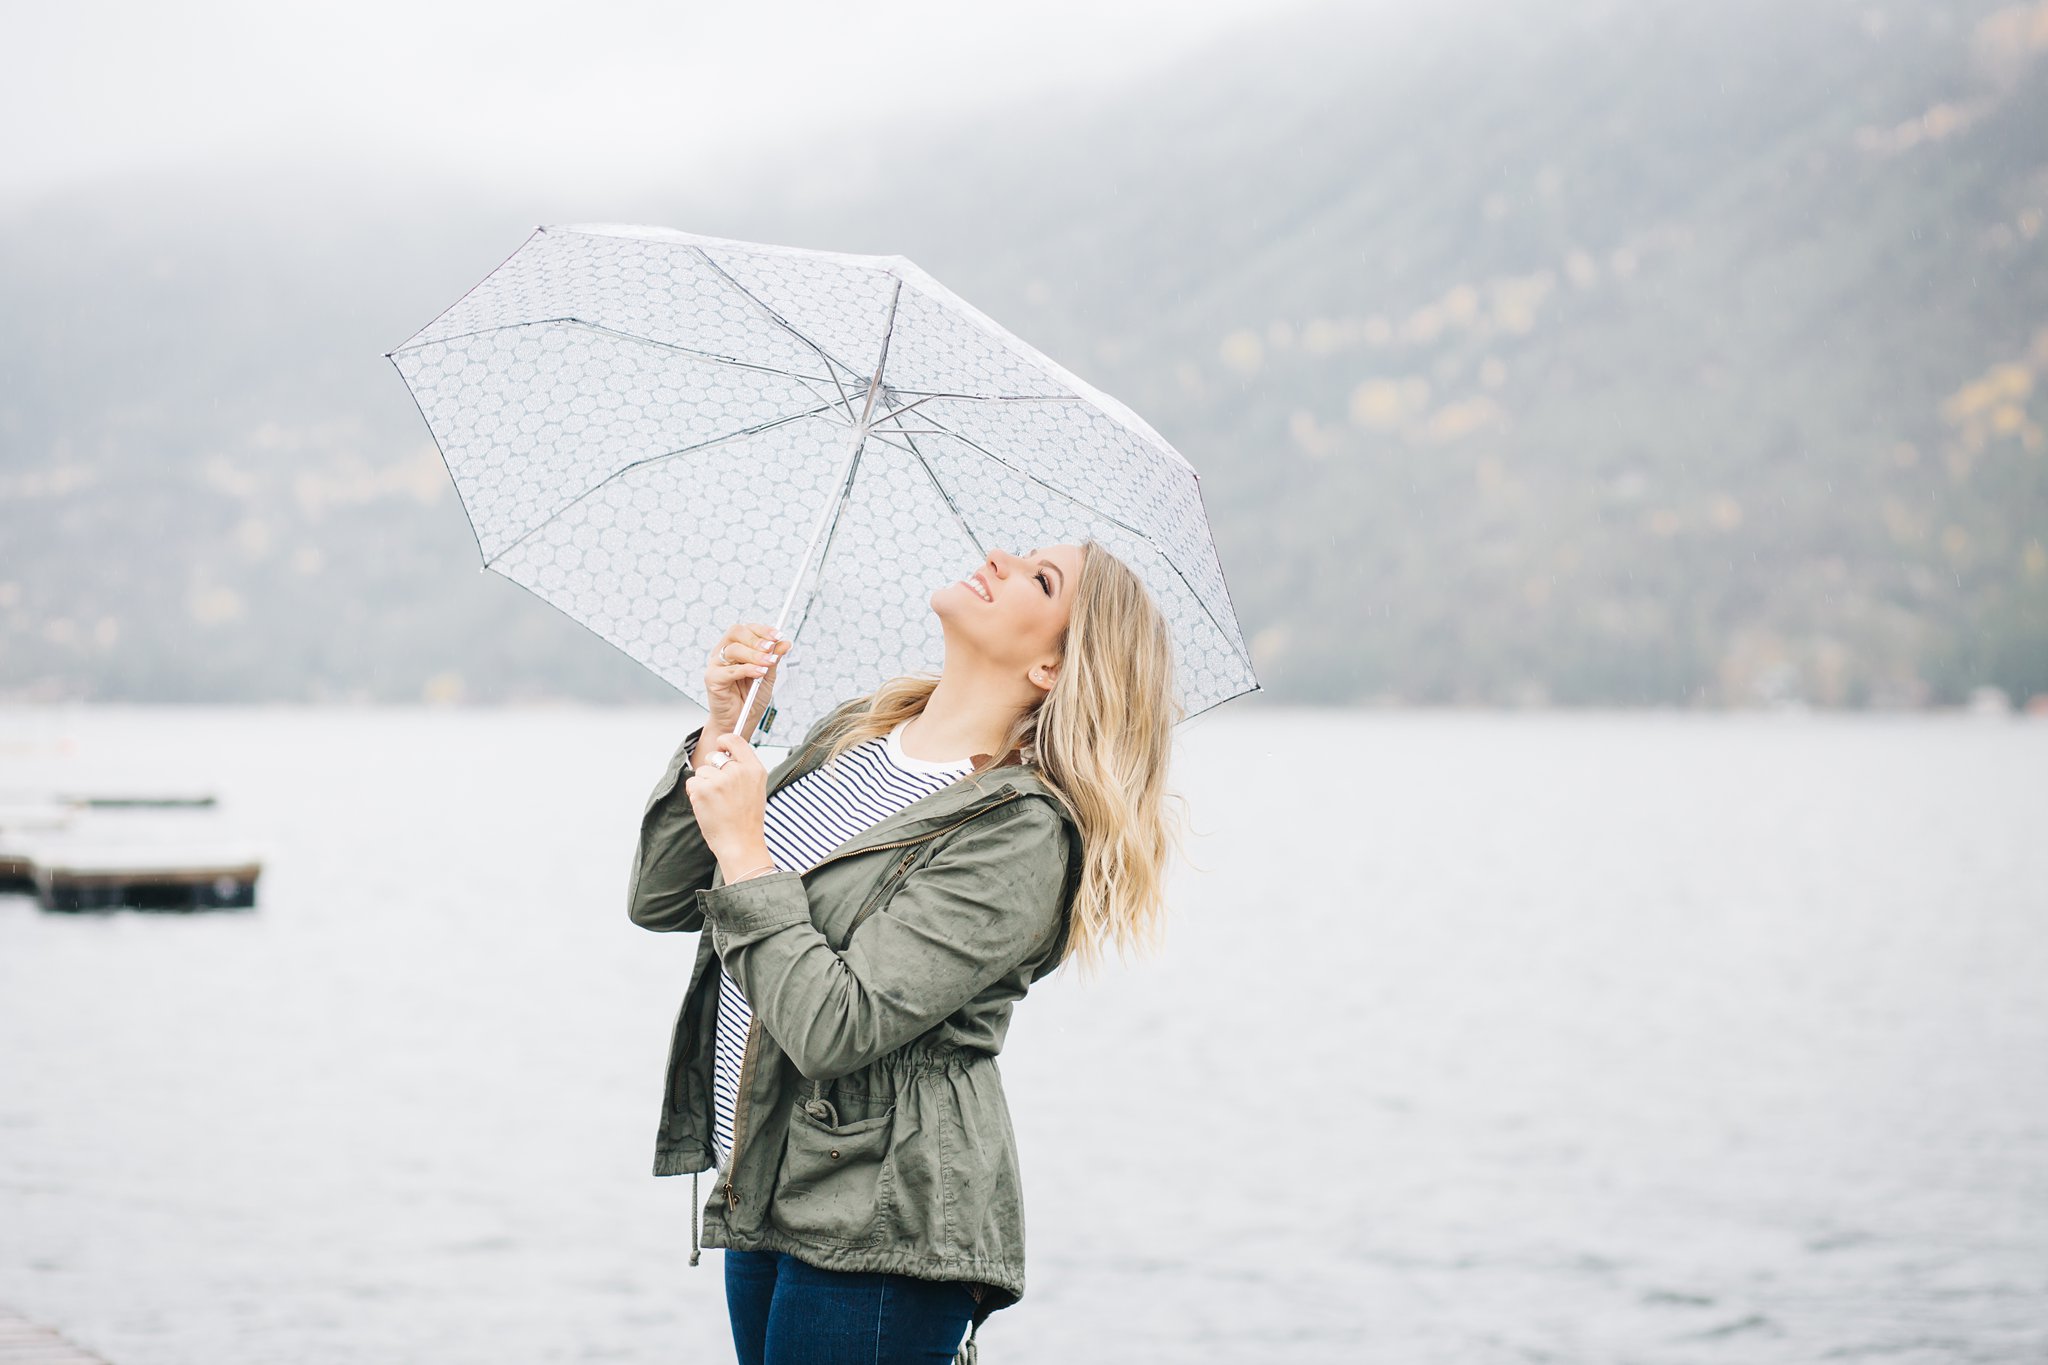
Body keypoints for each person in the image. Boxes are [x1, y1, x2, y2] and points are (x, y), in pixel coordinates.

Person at [625, 539, 1187, 1365]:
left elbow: (834, 1026)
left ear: (1052, 669)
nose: (1000, 557)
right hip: (770, 1179)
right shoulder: (857, 735)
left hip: (883, 1217)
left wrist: (749, 849)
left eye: (1040, 578)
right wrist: (722, 728)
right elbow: (663, 898)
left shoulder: (1020, 830)